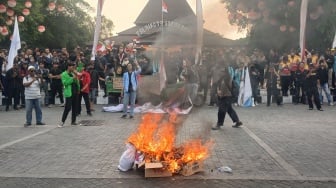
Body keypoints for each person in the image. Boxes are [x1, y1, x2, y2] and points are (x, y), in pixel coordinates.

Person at [58, 62, 81, 127]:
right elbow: (65, 83)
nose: (73, 68)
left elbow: (77, 82)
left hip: (75, 91)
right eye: (72, 66)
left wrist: (78, 88)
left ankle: (73, 121)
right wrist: (72, 78)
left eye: (73, 66)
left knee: (75, 107)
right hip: (69, 92)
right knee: (67, 108)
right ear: (68, 67)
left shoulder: (73, 73)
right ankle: (62, 122)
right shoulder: (64, 74)